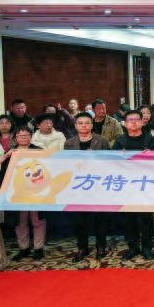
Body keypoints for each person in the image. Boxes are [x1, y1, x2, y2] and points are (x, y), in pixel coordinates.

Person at [111, 110, 154, 260]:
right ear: (125, 124)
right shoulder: (120, 141)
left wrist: (152, 155)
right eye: (130, 120)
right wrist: (120, 157)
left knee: (146, 218)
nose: (133, 122)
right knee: (128, 219)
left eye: (136, 119)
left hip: (146, 185)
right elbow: (111, 163)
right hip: (126, 186)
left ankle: (147, 247)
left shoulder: (151, 140)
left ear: (142, 122)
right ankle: (132, 247)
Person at [64, 112, 111, 262]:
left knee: (100, 219)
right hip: (78, 186)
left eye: (87, 123)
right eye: (80, 123)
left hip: (98, 185)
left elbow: (110, 163)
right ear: (75, 125)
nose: (84, 125)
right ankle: (82, 248)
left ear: (91, 125)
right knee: (80, 220)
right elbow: (65, 165)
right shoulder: (69, 143)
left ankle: (101, 246)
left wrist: (95, 158)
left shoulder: (102, 141)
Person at [8, 127, 45, 260]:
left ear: (31, 136)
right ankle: (23, 248)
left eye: (26, 135)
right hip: (17, 193)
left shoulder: (39, 151)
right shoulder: (11, 152)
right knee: (21, 221)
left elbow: (46, 170)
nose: (23, 137)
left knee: (37, 220)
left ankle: (38, 248)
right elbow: (5, 174)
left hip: (36, 192)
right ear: (16, 138)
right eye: (20, 135)